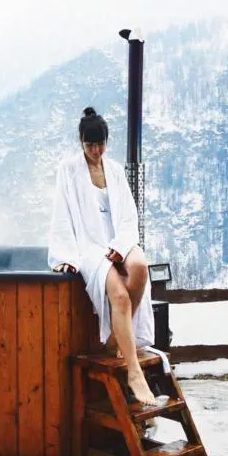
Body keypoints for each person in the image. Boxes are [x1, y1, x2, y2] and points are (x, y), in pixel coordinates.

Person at [48, 106, 157, 406]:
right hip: (90, 245)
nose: (95, 151)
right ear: (81, 142)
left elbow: (129, 216)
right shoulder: (68, 170)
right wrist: (65, 255)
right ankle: (134, 373)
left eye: (100, 145)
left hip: (118, 239)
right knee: (119, 297)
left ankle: (117, 338)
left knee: (140, 267)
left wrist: (121, 246)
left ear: (107, 142)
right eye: (90, 145)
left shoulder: (116, 171)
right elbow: (61, 215)